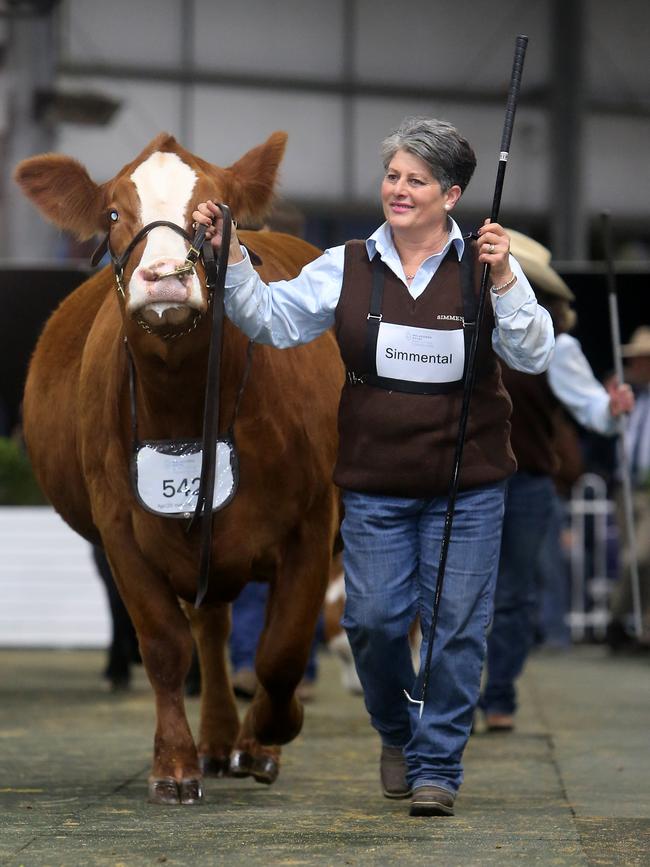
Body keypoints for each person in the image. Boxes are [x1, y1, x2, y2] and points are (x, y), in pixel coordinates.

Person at [193, 116, 554, 818]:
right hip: (376, 485)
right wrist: (233, 258)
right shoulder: (346, 263)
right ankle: (397, 728)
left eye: (416, 179)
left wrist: (507, 274)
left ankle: (437, 768)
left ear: (450, 195)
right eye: (393, 174)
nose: (398, 188)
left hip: (467, 488)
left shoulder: (484, 264)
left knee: (456, 629)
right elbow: (270, 319)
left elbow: (535, 352)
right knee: (374, 623)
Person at [479, 230, 634, 732]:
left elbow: (592, 408)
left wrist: (612, 409)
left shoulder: (557, 346)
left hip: (527, 484)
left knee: (515, 594)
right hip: (468, 481)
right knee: (458, 592)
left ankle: (498, 694)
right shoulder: (463, 329)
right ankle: (453, 696)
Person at [607, 326, 650, 650]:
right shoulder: (625, 395)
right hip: (625, 487)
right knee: (630, 557)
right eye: (635, 359)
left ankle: (615, 618)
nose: (638, 365)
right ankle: (637, 627)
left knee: (639, 558)